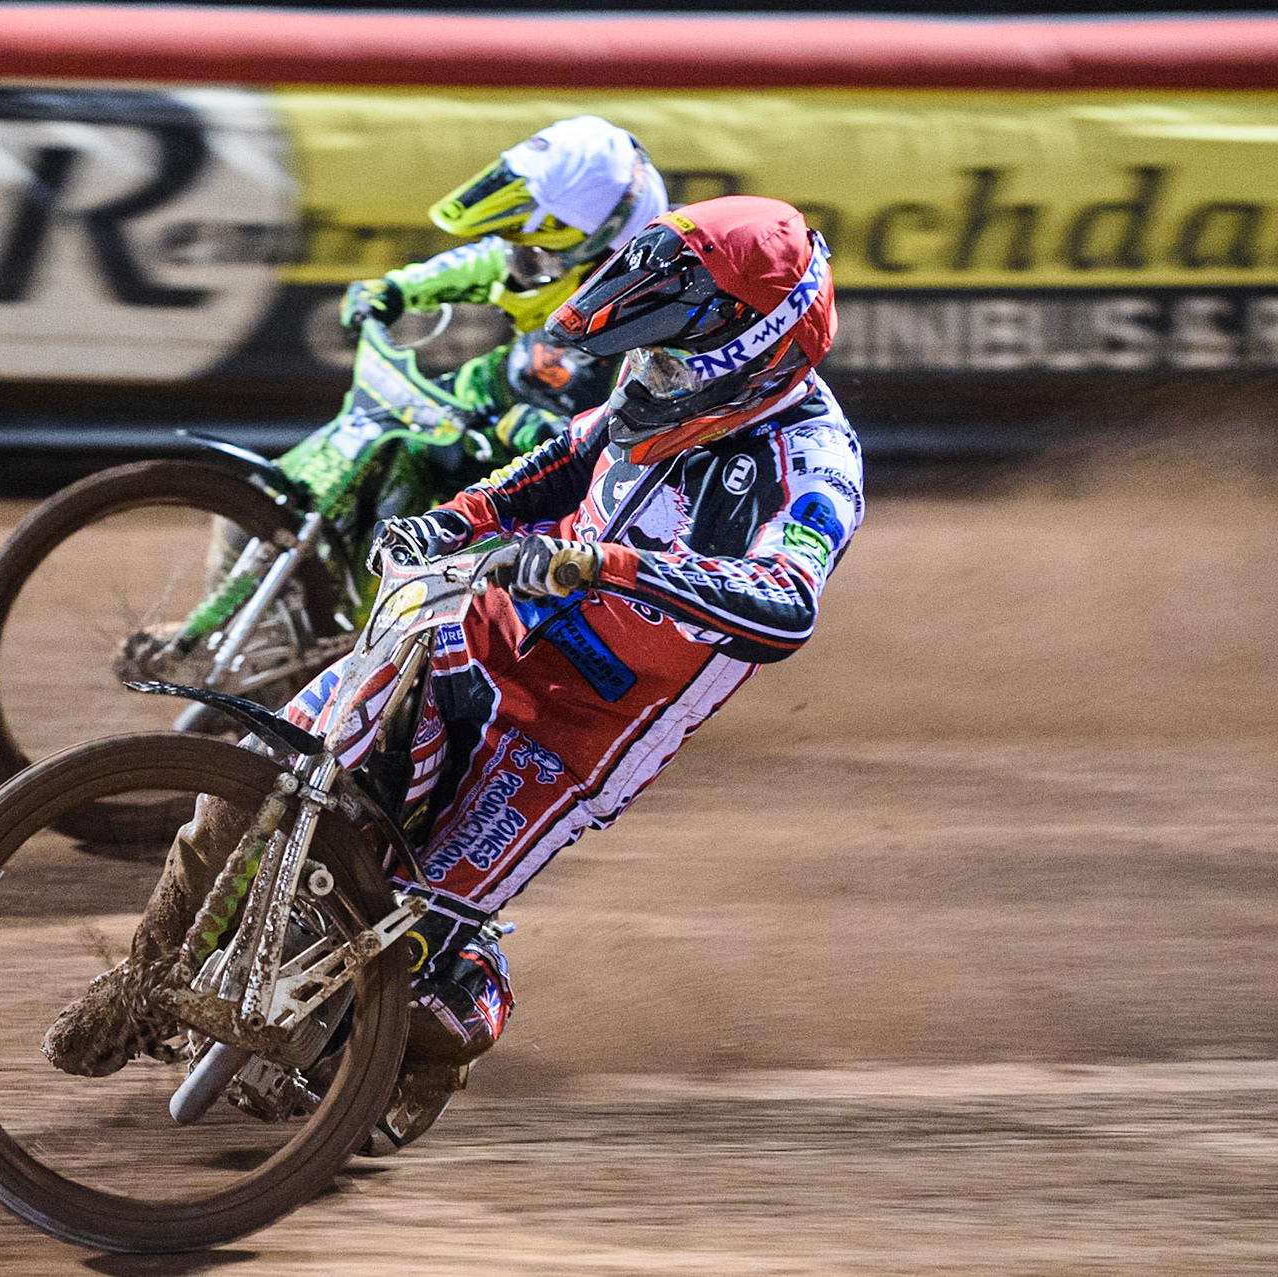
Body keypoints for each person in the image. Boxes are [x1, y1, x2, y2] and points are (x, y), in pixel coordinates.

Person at [44, 195, 864, 1142]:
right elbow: (558, 464)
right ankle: (144, 981)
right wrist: (451, 522)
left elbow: (786, 599)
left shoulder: (815, 461)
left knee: (417, 935)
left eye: (672, 362)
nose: (647, 376)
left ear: (758, 359)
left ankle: (423, 1060)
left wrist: (607, 565)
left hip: (576, 731)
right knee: (260, 776)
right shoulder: (653, 391)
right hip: (470, 631)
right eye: (646, 354)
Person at [330, 114, 670, 457]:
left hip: (547, 463)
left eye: (533, 255)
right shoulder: (557, 252)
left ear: (597, 252)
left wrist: (557, 434)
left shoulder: (661, 320)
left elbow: (651, 442)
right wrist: (395, 289)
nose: (514, 267)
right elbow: (490, 260)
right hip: (475, 406)